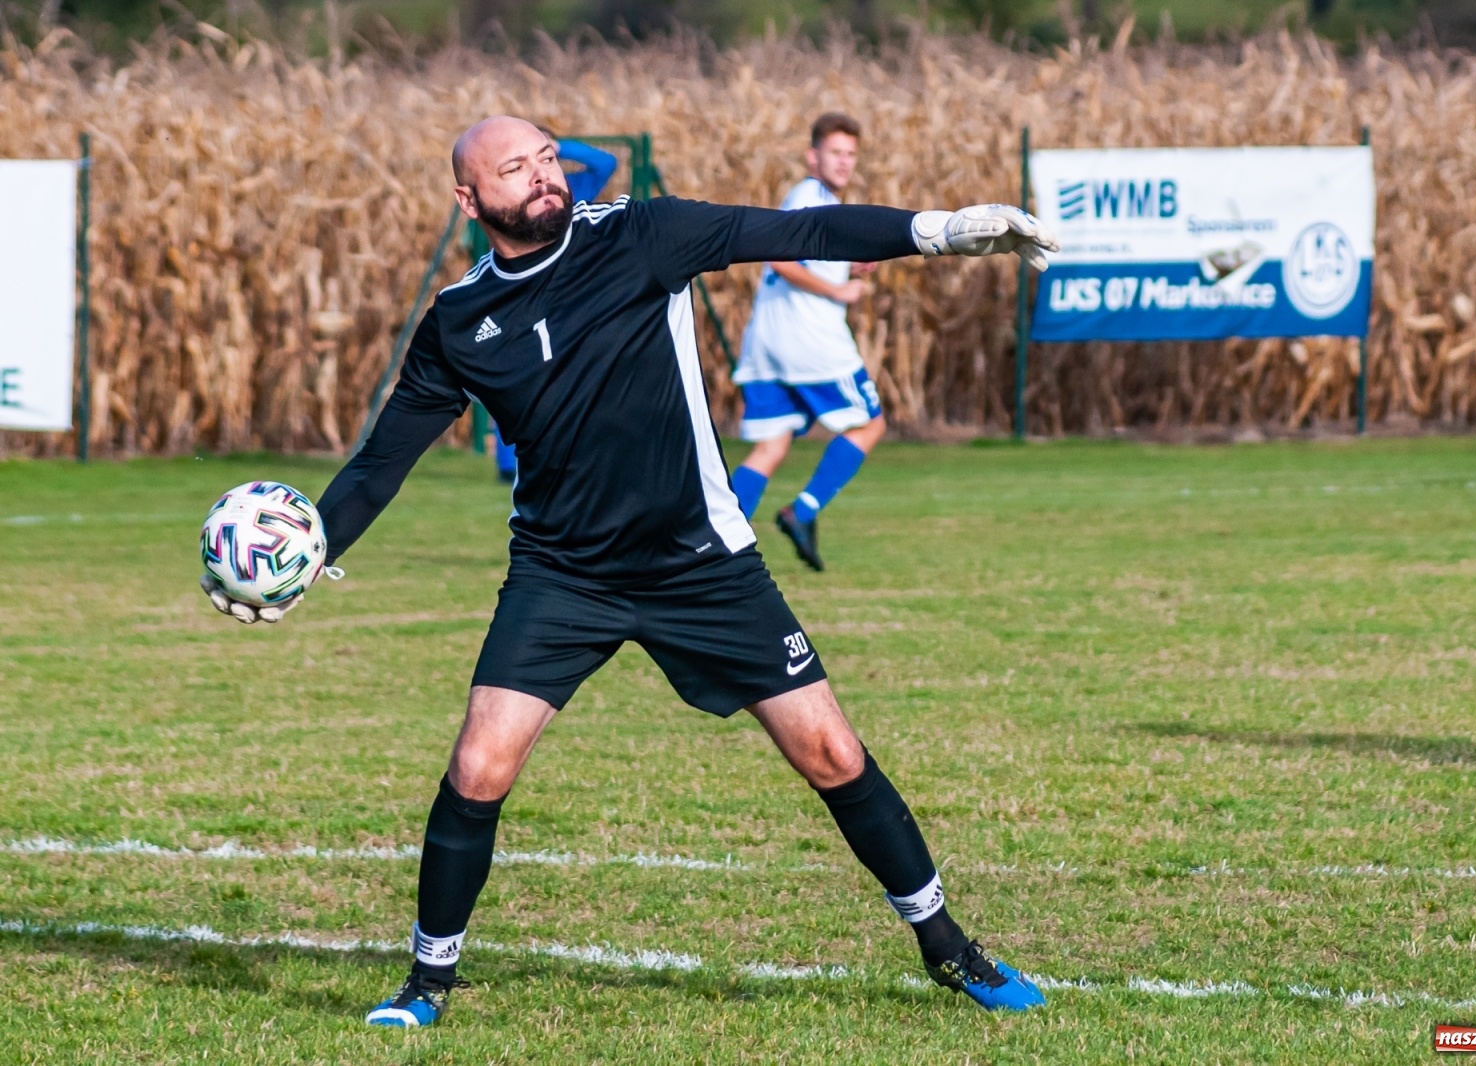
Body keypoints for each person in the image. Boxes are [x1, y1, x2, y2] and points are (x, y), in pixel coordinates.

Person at [200, 116, 1057, 1026]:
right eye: (513, 170)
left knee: (832, 752)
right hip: (562, 575)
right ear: (469, 200)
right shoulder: (458, 323)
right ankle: (426, 984)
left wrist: (938, 231)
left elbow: (796, 230)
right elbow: (381, 464)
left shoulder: (644, 235)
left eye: (545, 160)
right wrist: (306, 551)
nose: (540, 178)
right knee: (479, 767)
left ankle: (948, 949)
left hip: (702, 561)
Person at [728, 113, 885, 572]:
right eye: (835, 152)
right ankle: (803, 510)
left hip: (767, 342)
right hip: (809, 339)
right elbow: (779, 257)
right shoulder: (811, 197)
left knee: (771, 445)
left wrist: (845, 268)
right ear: (812, 155)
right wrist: (839, 291)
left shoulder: (812, 199)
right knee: (869, 425)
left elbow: (802, 258)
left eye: (850, 154)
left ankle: (716, 541)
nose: (844, 162)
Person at [494, 137, 619, 481]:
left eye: (545, 156)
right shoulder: (514, 198)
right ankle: (508, 465)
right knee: (514, 372)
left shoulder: (572, 189)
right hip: (522, 291)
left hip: (571, 294)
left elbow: (607, 162)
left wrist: (560, 145)